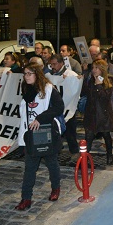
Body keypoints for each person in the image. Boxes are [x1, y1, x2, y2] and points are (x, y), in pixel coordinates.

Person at [15, 63, 65, 211]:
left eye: (30, 73)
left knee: (52, 163)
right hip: (30, 135)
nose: (27, 76)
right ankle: (26, 198)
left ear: (37, 74)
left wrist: (40, 118)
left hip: (45, 133)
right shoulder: (25, 89)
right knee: (29, 168)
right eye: (25, 74)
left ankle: (56, 188)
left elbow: (59, 108)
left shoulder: (49, 89)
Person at [47, 54, 81, 164]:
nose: (52, 67)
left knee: (70, 132)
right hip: (55, 109)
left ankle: (74, 151)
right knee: (55, 131)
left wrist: (70, 81)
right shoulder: (49, 75)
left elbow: (77, 90)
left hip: (68, 108)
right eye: (51, 64)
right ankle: (56, 151)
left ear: (61, 63)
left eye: (55, 64)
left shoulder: (70, 74)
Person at [81, 59, 113, 165]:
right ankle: (85, 158)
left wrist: (99, 86)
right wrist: (83, 77)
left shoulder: (108, 80)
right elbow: (83, 92)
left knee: (106, 134)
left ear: (102, 70)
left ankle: (109, 155)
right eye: (93, 68)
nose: (94, 70)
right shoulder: (90, 80)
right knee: (89, 136)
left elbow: (105, 98)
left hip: (102, 114)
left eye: (96, 68)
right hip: (91, 113)